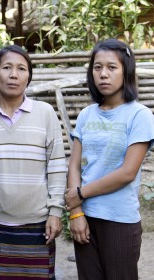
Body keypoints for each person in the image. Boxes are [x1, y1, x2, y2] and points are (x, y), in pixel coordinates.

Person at [65, 38, 154, 280]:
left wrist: (80, 194)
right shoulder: (86, 115)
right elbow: (74, 165)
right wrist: (76, 213)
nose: (103, 74)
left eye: (112, 67)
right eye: (97, 67)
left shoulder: (140, 115)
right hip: (85, 218)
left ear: (126, 71)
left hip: (119, 221)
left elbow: (127, 172)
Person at [0, 45, 67, 279]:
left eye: (21, 68)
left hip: (38, 225)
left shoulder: (45, 113)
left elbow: (57, 165)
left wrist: (55, 212)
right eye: (6, 67)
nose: (13, 75)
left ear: (29, 76)